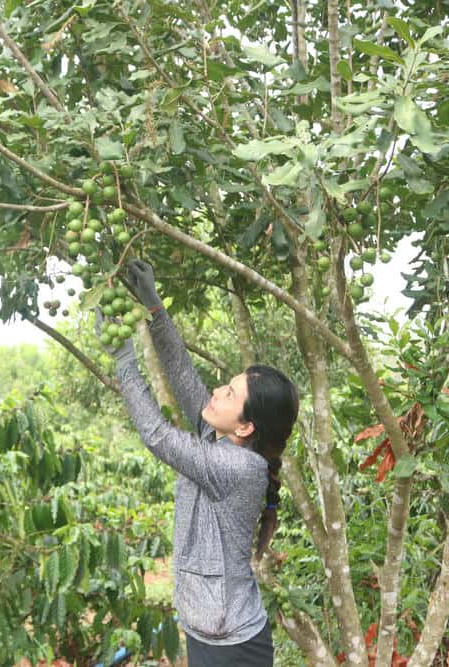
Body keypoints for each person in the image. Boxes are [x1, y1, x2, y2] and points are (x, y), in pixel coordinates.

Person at [101, 259, 300, 667]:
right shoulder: (218, 436)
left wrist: (124, 360)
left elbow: (157, 435)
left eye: (229, 394)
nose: (217, 392)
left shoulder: (240, 469)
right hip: (207, 629)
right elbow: (181, 371)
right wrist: (153, 306)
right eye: (226, 385)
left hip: (232, 646)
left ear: (246, 427)